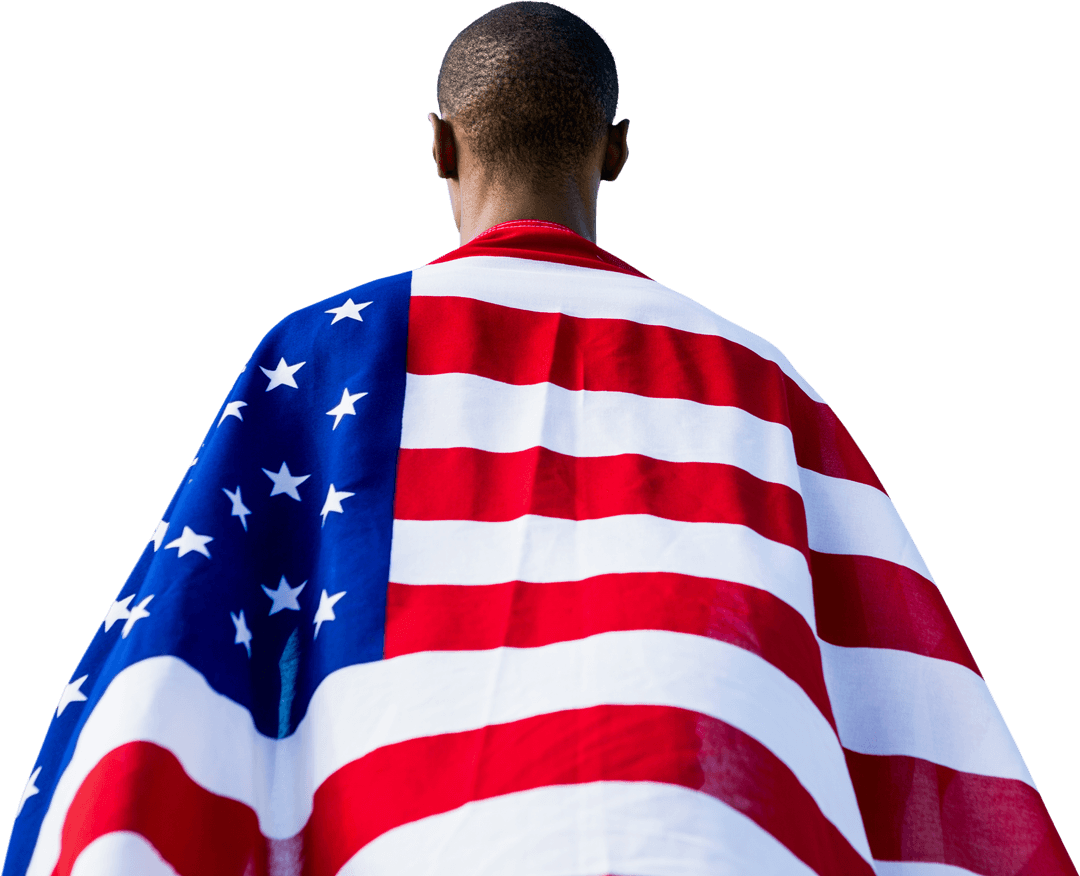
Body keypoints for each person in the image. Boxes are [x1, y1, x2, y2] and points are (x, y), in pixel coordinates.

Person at [4, 3, 1074, 875]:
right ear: (617, 151)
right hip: (716, 841)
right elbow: (902, 706)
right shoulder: (760, 381)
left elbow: (184, 652)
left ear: (438, 143)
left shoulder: (330, 354)